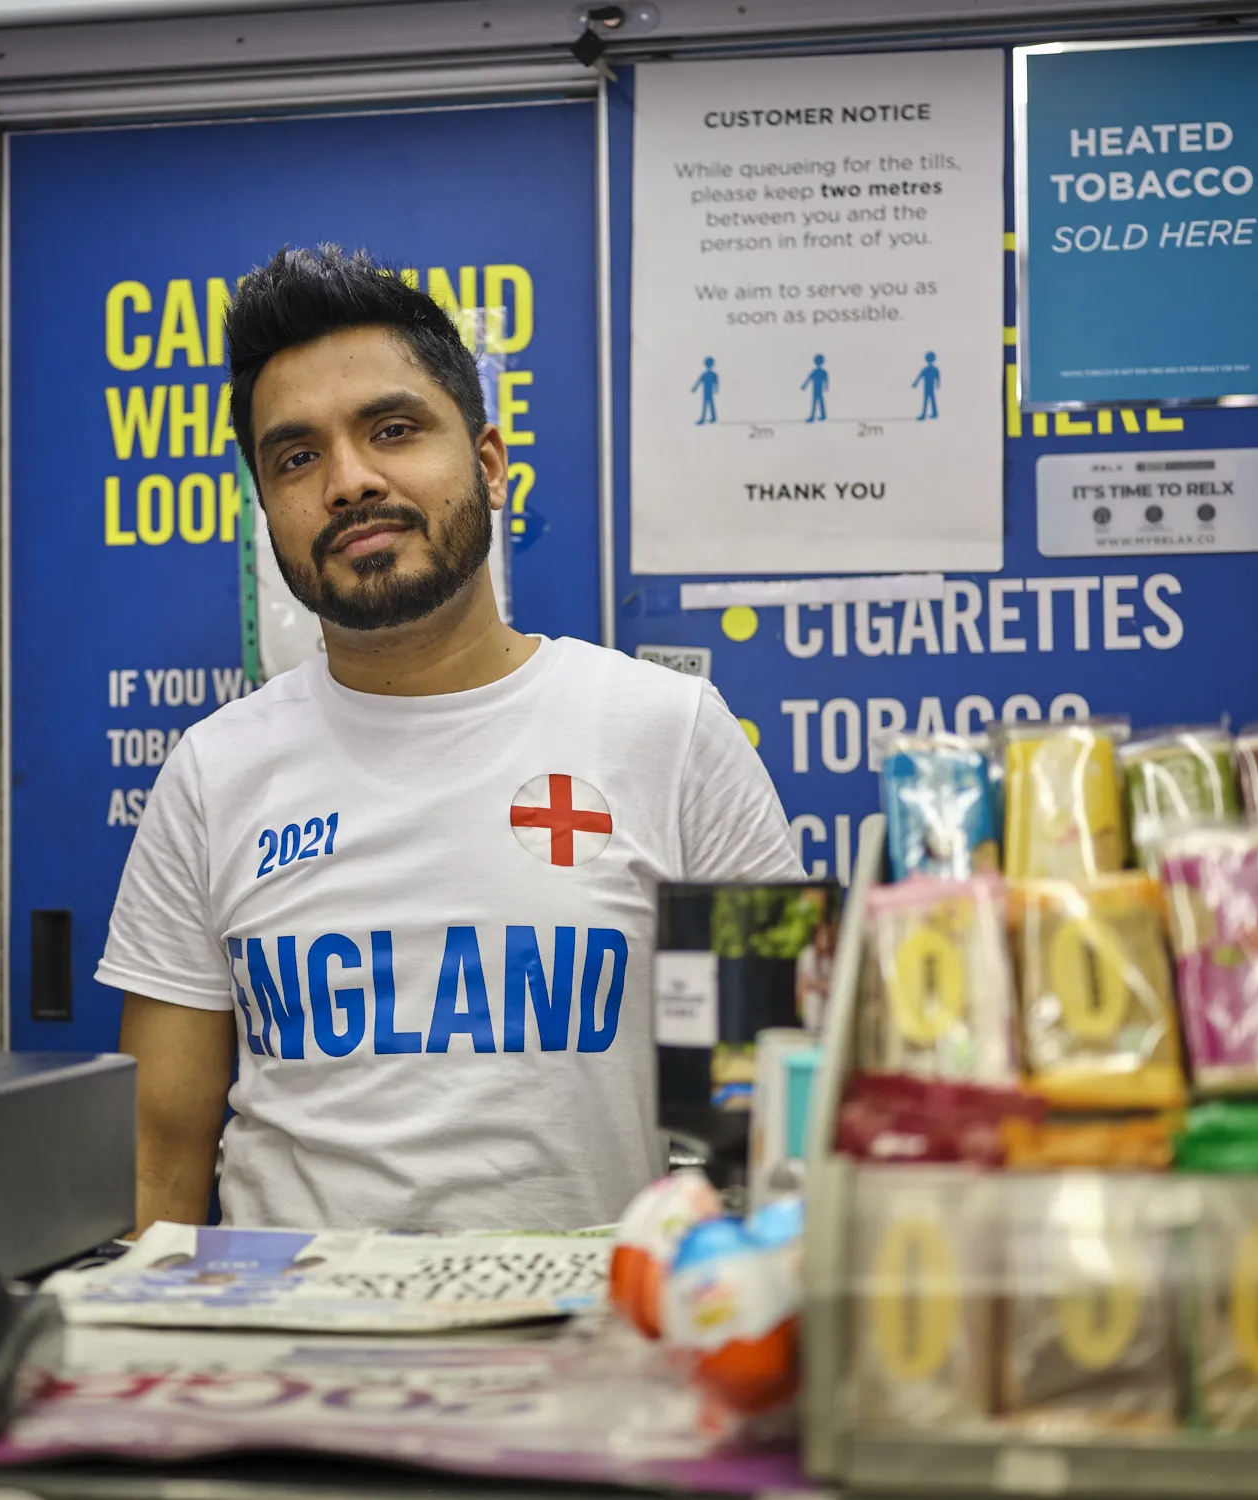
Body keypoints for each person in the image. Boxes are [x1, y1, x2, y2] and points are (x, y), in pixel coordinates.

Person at [98, 245, 801, 1236]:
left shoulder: (671, 734)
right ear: (268, 509)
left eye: (391, 430)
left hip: (592, 1357)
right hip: (299, 1362)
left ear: (487, 463)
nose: (347, 481)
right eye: (296, 457)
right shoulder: (213, 775)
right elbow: (155, 1164)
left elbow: (781, 1104)